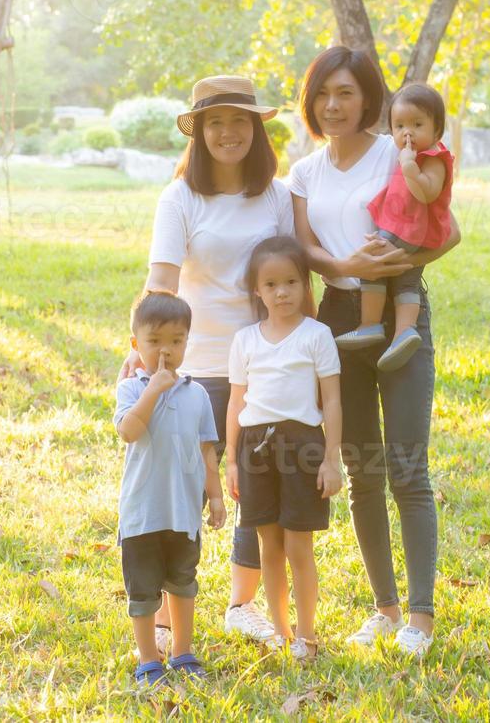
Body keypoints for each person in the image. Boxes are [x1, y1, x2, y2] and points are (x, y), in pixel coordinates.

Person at [288, 46, 460, 658]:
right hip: (339, 316)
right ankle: (384, 607)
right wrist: (345, 266)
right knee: (363, 468)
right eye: (323, 94)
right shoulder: (304, 172)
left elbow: (450, 229)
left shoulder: (398, 148)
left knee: (408, 465)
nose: (334, 105)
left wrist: (393, 267)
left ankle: (421, 614)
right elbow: (304, 250)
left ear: (368, 99)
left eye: (347, 93)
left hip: (399, 315)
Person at [119, 75, 294, 653]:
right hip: (191, 366)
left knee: (257, 487)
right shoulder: (179, 198)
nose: (228, 133)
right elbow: (162, 281)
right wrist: (139, 350)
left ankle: (241, 605)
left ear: (256, 129)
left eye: (239, 121)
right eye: (215, 122)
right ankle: (168, 616)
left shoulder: (275, 195)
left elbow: (293, 274)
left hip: (265, 363)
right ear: (198, 132)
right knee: (183, 483)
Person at [225, 236, 342, 659]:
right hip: (254, 448)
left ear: (306, 285)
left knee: (298, 545)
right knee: (268, 546)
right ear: (257, 290)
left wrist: (332, 459)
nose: (282, 292)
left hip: (303, 445)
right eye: (271, 284)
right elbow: (237, 402)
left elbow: (331, 400)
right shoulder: (245, 341)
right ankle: (281, 631)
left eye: (291, 282)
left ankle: (307, 636)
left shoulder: (317, 335)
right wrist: (232, 463)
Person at [114, 291, 226, 688]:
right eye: (155, 341)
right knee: (143, 591)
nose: (166, 350)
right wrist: (153, 390)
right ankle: (148, 658)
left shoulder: (197, 394)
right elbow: (129, 431)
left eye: (176, 341)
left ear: (186, 342)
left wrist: (215, 496)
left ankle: (182, 651)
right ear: (136, 345)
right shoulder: (131, 389)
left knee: (182, 583)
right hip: (142, 513)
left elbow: (207, 450)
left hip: (183, 512)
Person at [335, 83, 454, 373]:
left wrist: (411, 167)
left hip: (411, 230)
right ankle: (404, 333)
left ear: (436, 131)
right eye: (399, 126)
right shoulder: (408, 153)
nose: (407, 133)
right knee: (406, 282)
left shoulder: (433, 159)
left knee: (373, 260)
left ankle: (369, 324)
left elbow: (426, 193)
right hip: (408, 229)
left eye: (417, 124)